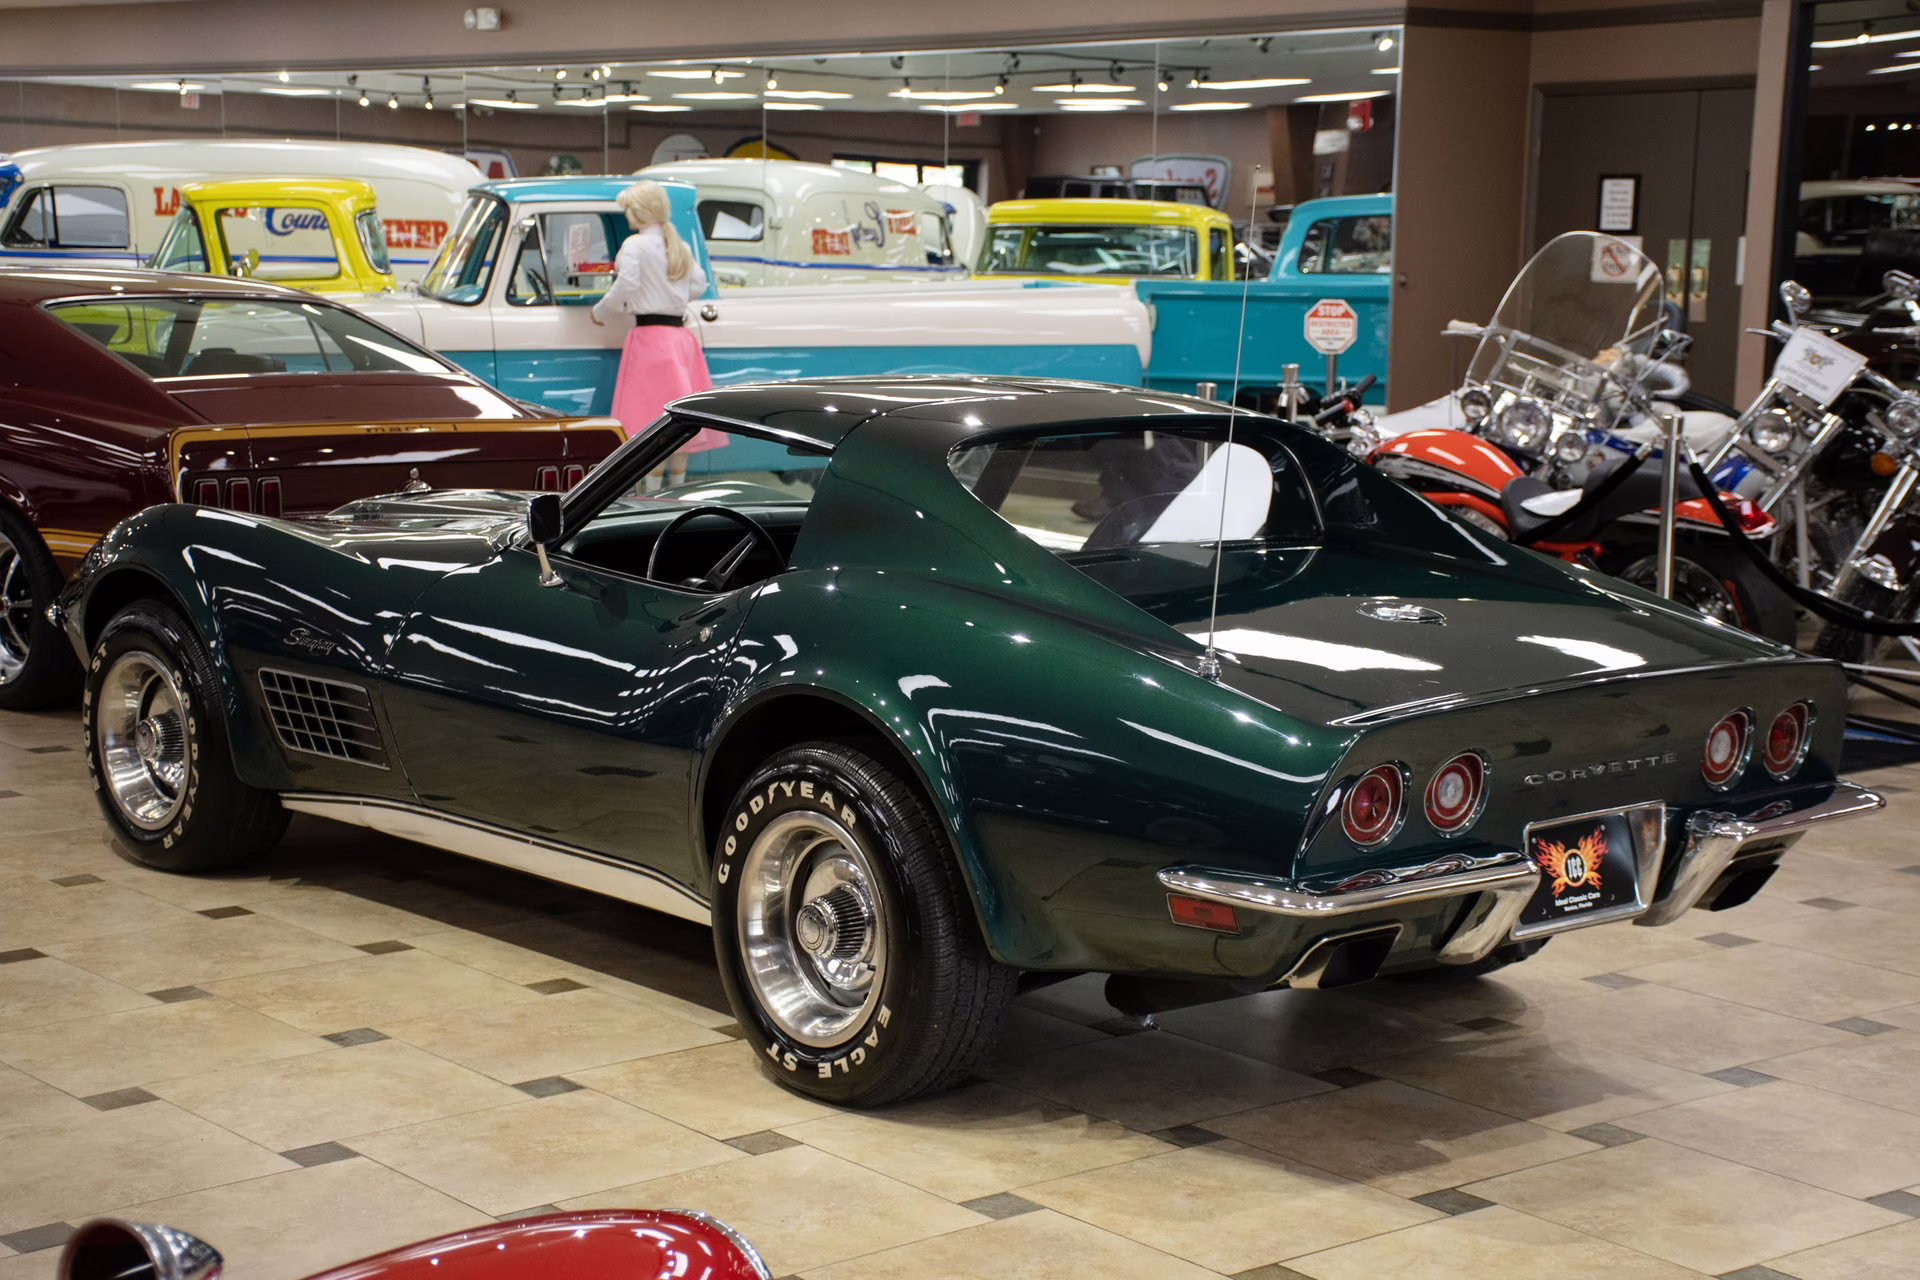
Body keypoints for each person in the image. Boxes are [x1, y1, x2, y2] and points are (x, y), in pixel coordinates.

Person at [591, 180, 721, 488]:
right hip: (680, 341)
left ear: (639, 211)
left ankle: (650, 496)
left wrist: (601, 312)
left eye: (628, 210)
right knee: (680, 423)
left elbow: (627, 284)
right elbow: (697, 286)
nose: (626, 216)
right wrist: (669, 297)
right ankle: (675, 491)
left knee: (650, 422)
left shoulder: (634, 246)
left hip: (650, 340)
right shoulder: (678, 246)